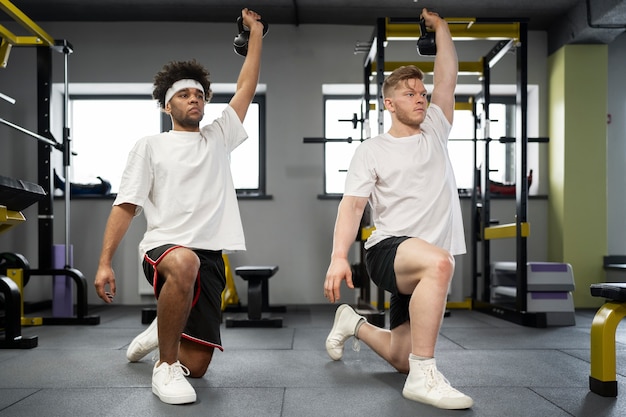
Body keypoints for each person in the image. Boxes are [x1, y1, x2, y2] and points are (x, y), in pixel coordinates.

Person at [93, 8, 264, 405]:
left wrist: (255, 34)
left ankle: (161, 331)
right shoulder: (150, 146)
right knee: (183, 261)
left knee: (199, 365)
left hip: (208, 256)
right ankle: (164, 367)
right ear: (166, 106)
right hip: (164, 248)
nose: (194, 100)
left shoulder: (218, 137)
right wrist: (105, 261)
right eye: (184, 95)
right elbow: (126, 206)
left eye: (199, 95)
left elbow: (246, 86)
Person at [323, 8, 473, 410]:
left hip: (422, 263)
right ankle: (426, 375)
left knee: (400, 357)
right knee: (441, 263)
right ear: (390, 103)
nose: (421, 97)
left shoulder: (436, 130)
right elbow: (352, 206)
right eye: (410, 93)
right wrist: (339, 257)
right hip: (388, 251)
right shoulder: (372, 150)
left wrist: (441, 27)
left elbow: (447, 76)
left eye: (422, 93)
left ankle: (352, 323)